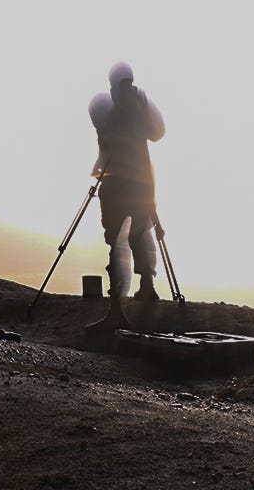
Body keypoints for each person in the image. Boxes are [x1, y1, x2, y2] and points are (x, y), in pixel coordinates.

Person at [86, 61, 165, 334]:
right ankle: (147, 286)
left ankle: (117, 308)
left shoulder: (107, 108)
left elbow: (106, 133)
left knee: (117, 241)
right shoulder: (136, 107)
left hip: (117, 185)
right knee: (142, 232)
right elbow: (157, 133)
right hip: (142, 183)